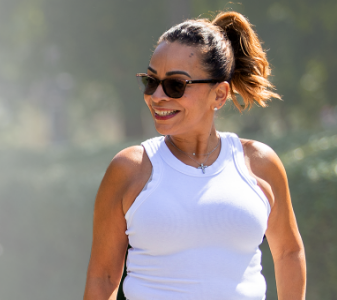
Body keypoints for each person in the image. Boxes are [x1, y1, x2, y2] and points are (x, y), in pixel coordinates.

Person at [84, 11, 306, 300]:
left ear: (220, 94)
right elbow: (103, 278)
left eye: (175, 85)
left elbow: (290, 252)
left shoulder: (259, 164)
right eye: (151, 82)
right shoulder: (130, 169)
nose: (157, 96)